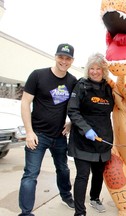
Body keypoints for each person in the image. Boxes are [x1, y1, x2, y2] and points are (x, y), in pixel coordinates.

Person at [19, 43, 77, 216]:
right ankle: (26, 212)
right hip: (37, 135)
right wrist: (29, 132)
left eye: (67, 58)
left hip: (59, 136)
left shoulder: (72, 81)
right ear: (55, 56)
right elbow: (25, 102)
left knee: (63, 169)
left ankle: (66, 196)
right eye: (61, 57)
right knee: (30, 174)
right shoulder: (38, 75)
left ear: (72, 61)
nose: (64, 61)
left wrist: (70, 123)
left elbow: (75, 106)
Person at [67, 53, 114, 216]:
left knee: (99, 173)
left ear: (104, 70)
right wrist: (85, 129)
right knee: (83, 175)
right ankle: (80, 211)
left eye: (98, 68)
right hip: (83, 138)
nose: (95, 72)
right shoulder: (81, 85)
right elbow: (72, 110)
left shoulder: (109, 87)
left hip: (103, 138)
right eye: (92, 68)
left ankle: (95, 198)